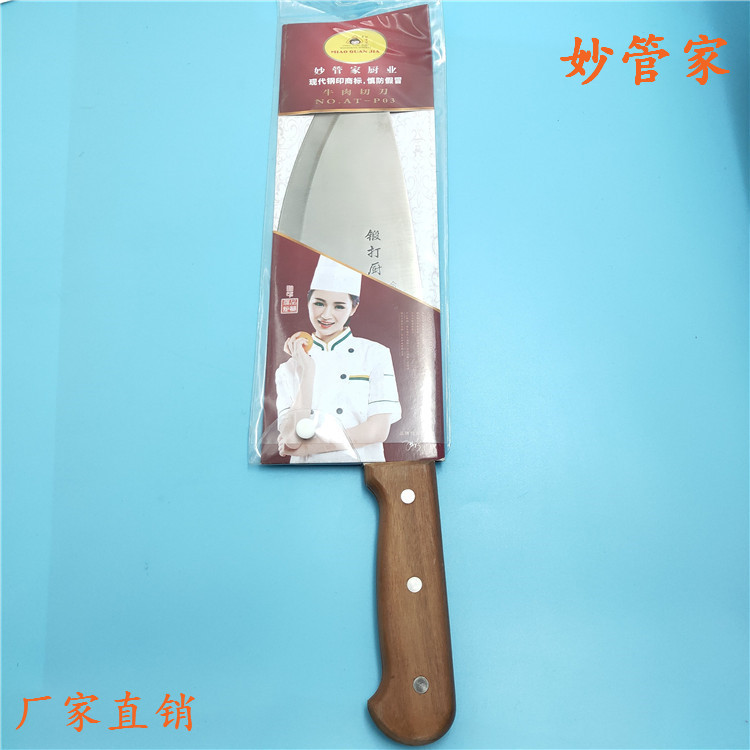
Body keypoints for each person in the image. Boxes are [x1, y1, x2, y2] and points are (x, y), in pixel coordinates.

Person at [275, 255, 401, 463]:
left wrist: (312, 445)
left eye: (339, 306)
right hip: (306, 475)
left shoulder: (375, 354)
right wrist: (307, 372)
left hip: (362, 468)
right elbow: (291, 440)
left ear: (353, 308)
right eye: (319, 303)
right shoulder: (287, 368)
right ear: (308, 302)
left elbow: (377, 430)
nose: (326, 315)